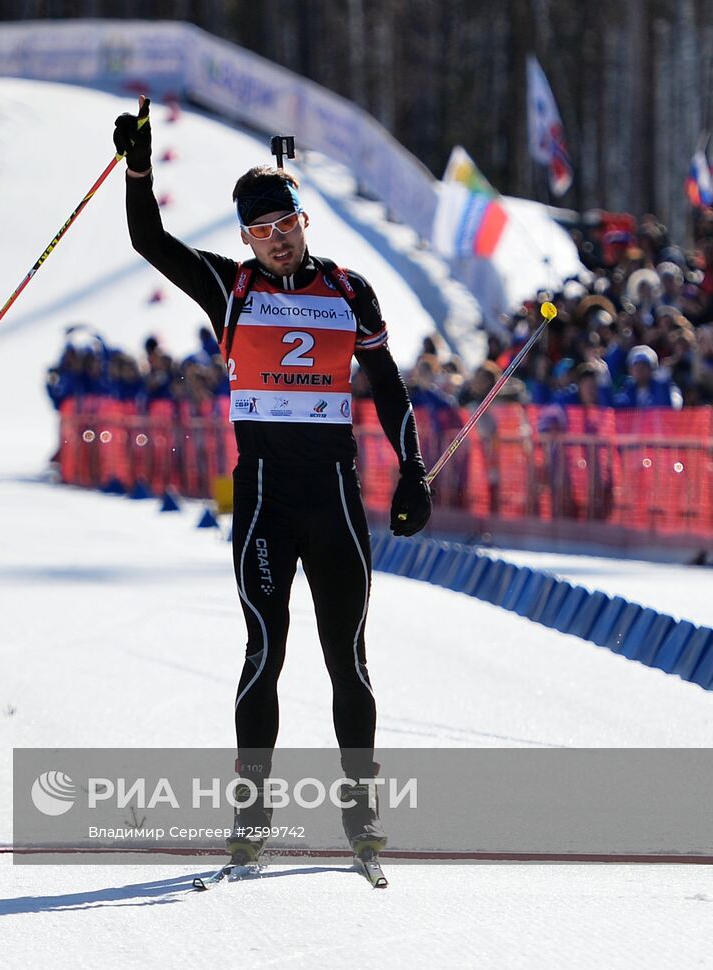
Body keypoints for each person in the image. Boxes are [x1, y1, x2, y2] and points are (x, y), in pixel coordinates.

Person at [114, 103, 432, 866]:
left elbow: (386, 384)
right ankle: (251, 816)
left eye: (286, 223)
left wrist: (413, 468)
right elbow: (148, 240)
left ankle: (362, 815)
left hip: (334, 499)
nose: (278, 238)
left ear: (303, 219)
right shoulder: (231, 289)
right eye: (262, 231)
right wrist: (138, 169)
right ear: (247, 239)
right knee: (264, 650)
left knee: (348, 657)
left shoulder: (351, 292)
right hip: (262, 500)